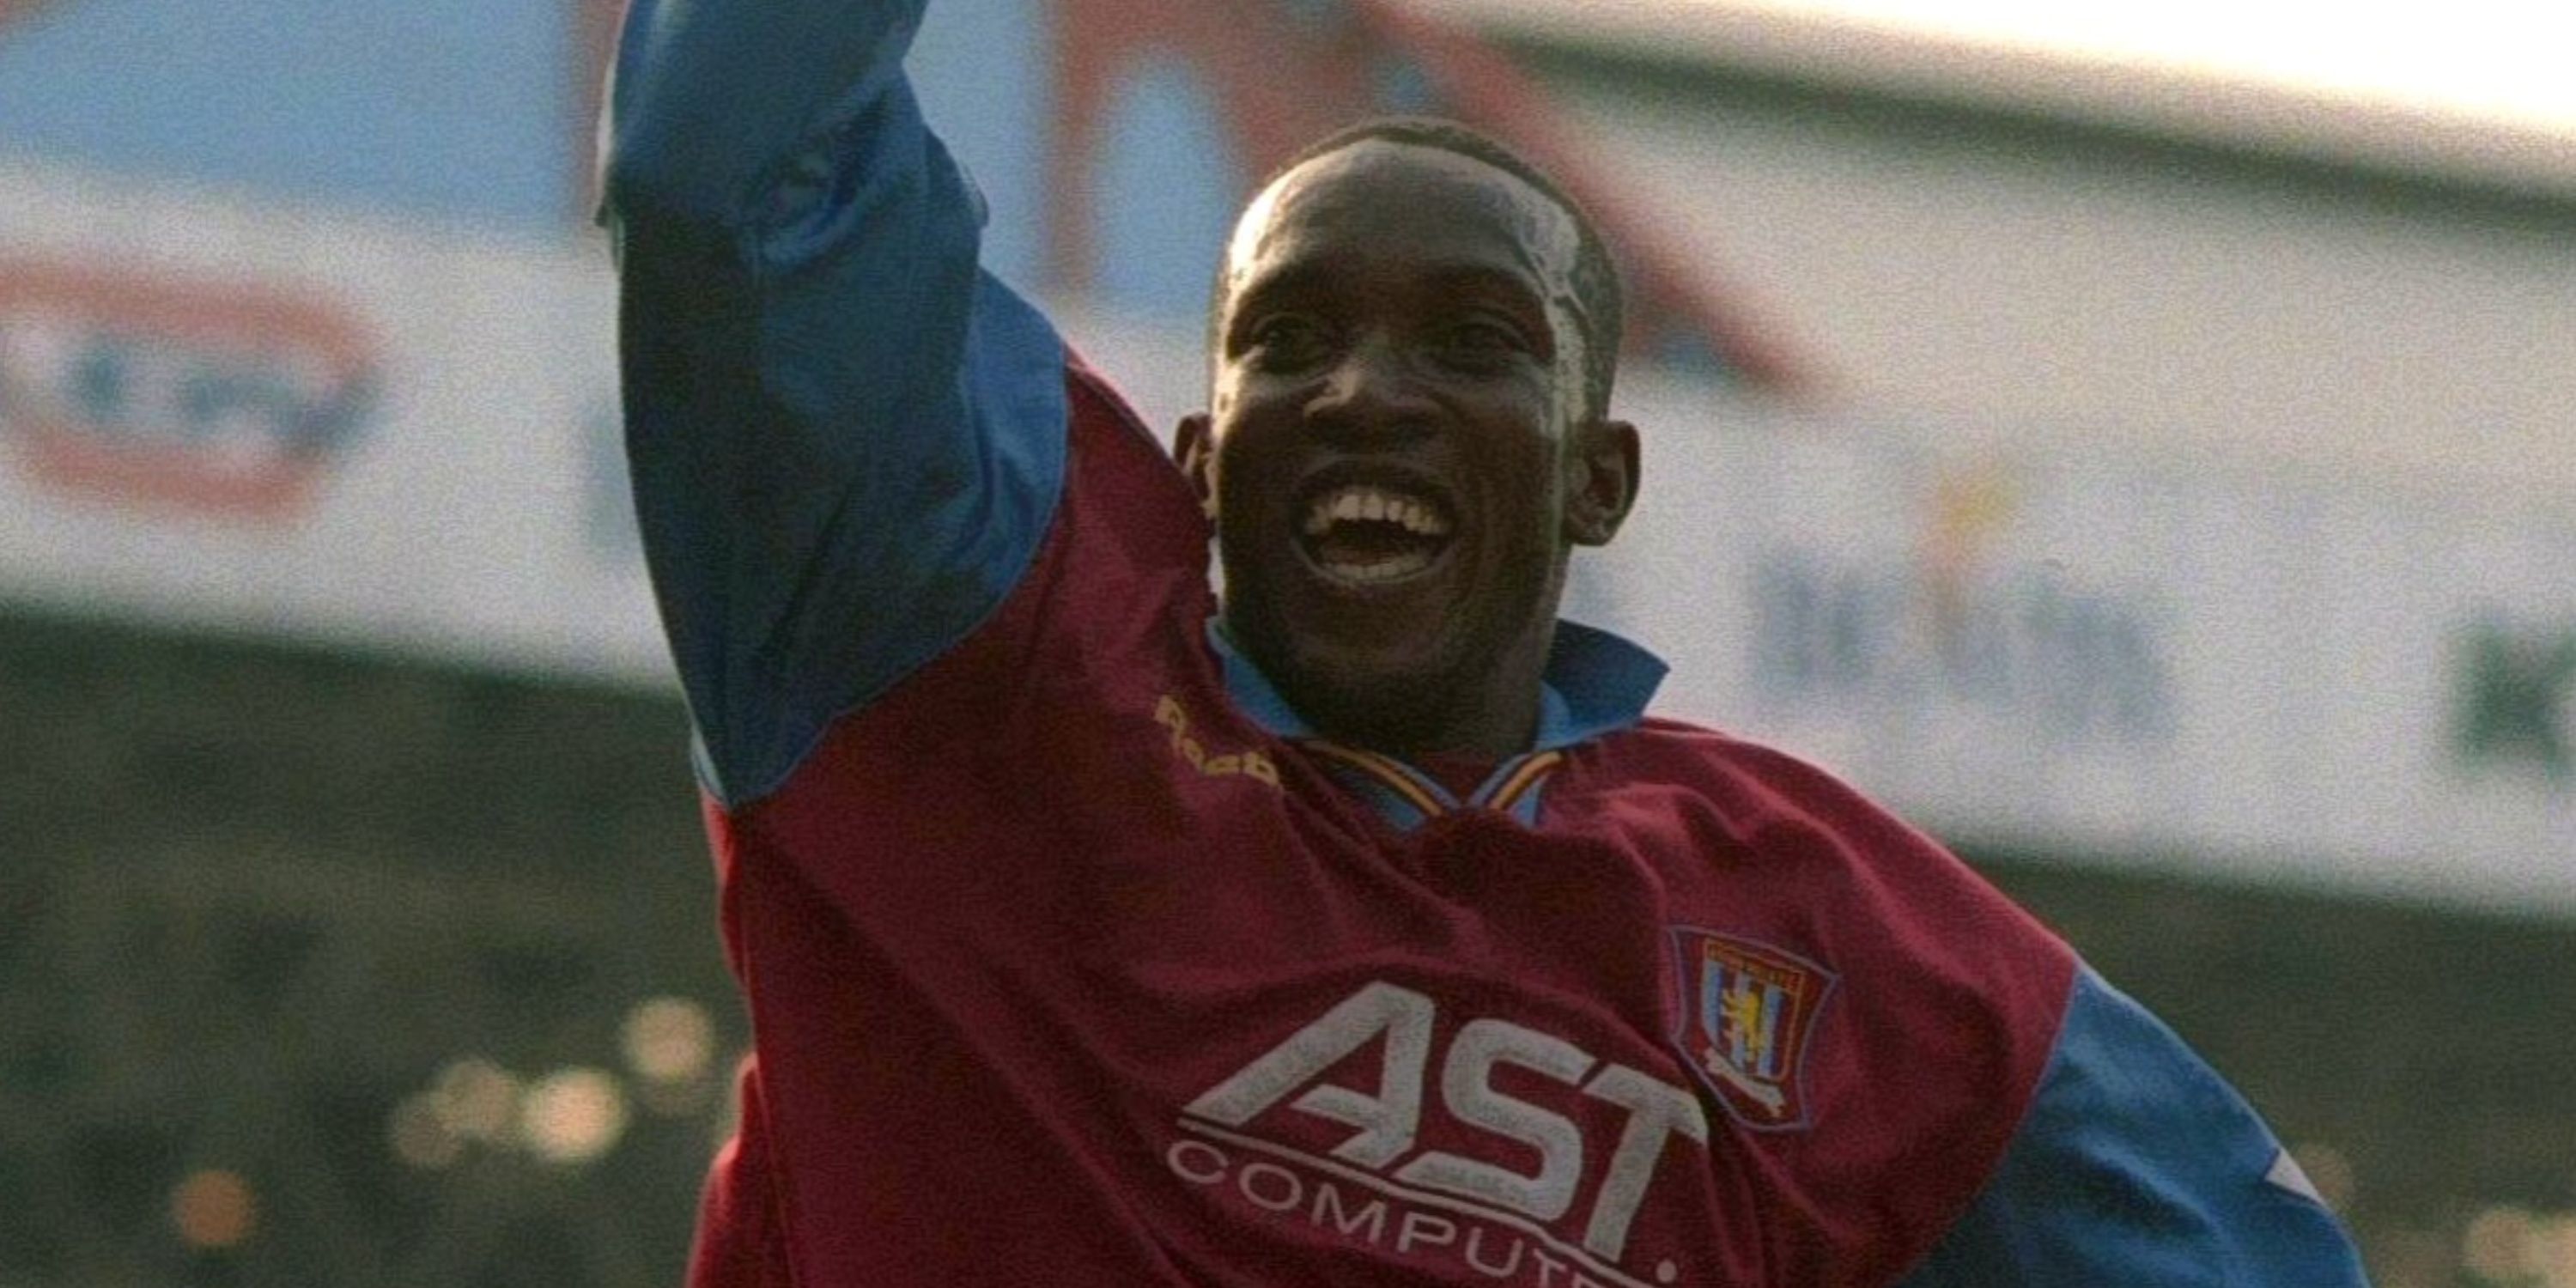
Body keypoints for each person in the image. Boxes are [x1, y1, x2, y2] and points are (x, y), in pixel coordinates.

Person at [601, 1, 2373, 1284]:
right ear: (1206, 465)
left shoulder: (1849, 941)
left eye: (1470, 342)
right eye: (1293, 342)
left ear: (1598, 480)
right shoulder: (968, 673)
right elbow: (722, 171)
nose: (1368, 395)